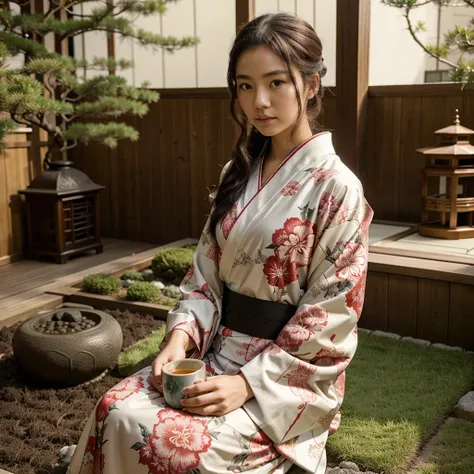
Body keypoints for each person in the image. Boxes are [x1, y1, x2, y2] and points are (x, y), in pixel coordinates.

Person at [67, 11, 373, 474]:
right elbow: (204, 276)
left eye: (276, 83)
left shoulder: (338, 189)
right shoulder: (239, 173)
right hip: (214, 351)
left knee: (173, 444)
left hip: (280, 378)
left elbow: (332, 314)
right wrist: (179, 337)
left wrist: (247, 384)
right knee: (116, 409)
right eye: (245, 85)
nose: (259, 102)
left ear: (311, 86)